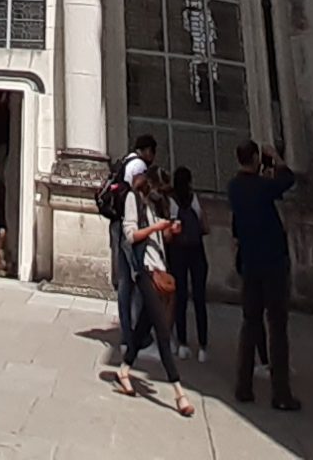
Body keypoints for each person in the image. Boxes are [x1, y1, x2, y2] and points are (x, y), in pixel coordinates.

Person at [111, 152, 195, 417]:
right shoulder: (132, 200)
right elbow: (131, 235)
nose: (163, 195)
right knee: (162, 329)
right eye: (161, 189)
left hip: (159, 268)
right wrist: (157, 228)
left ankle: (124, 369)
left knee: (143, 327)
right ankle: (179, 393)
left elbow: (160, 239)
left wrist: (169, 230)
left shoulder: (153, 206)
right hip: (145, 272)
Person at [227, 139, 299, 411]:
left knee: (250, 323)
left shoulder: (235, 187)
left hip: (250, 262)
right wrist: (276, 158)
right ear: (256, 158)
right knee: (277, 327)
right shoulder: (261, 186)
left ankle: (244, 385)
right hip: (272, 262)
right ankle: (281, 392)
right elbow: (288, 179)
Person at [106, 133, 156, 365]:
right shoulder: (139, 166)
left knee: (125, 283)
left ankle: (127, 334)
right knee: (138, 282)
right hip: (130, 225)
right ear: (147, 151)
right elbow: (138, 192)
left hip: (118, 224)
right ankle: (137, 335)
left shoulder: (125, 161)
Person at [169, 163, 211, 362]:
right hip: (196, 251)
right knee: (200, 299)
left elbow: (170, 231)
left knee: (181, 298)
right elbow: (205, 227)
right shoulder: (194, 199)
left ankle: (182, 343)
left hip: (178, 252)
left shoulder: (172, 202)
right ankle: (202, 346)